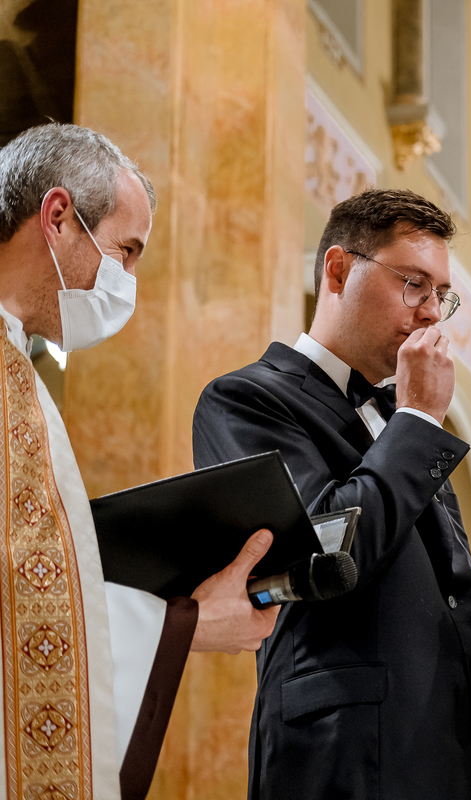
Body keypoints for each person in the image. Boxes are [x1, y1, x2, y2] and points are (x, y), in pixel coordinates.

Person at [191, 188, 471, 800]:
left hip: (446, 753)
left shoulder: (399, 418)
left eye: (442, 296)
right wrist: (420, 421)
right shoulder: (248, 400)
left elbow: (424, 611)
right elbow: (326, 558)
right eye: (413, 284)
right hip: (342, 759)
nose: (431, 312)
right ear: (339, 270)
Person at [0, 123, 280, 799]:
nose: (127, 282)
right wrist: (186, 623)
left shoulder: (18, 371)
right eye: (126, 251)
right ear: (59, 217)